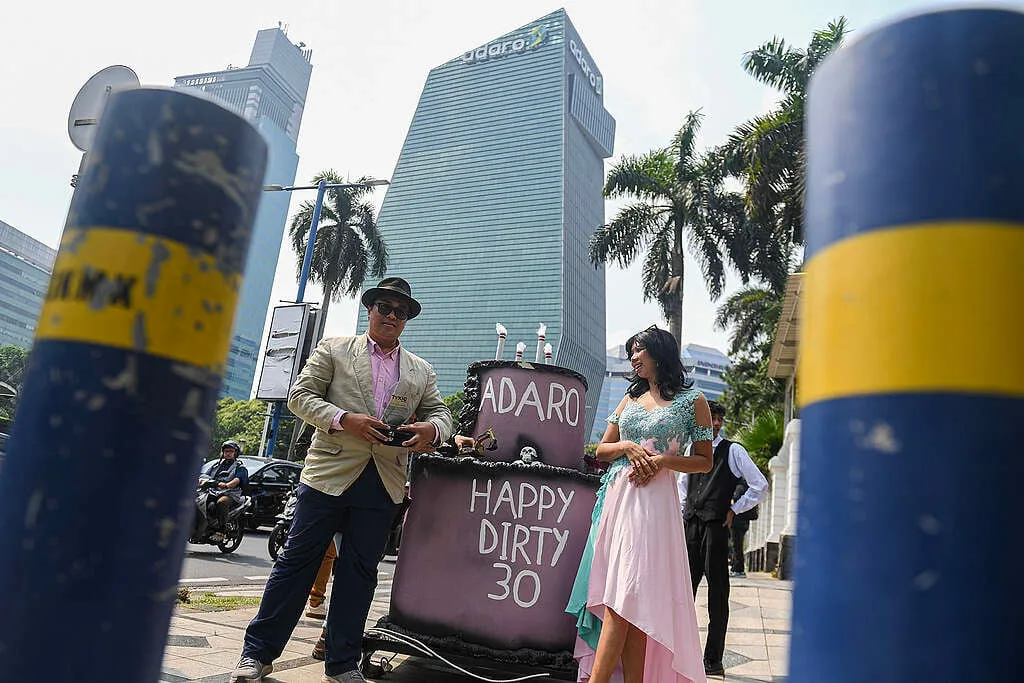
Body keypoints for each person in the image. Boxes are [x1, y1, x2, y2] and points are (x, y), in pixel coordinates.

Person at [230, 277, 453, 683]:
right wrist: (343, 419)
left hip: (383, 481)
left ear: (407, 320)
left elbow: (441, 413)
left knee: (360, 573)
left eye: (400, 312)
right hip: (327, 476)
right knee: (295, 563)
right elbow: (300, 396)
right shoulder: (334, 349)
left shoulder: (421, 370)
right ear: (370, 310)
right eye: (384, 307)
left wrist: (432, 432)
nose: (391, 316)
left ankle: (342, 664)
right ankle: (257, 654)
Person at [566, 325, 714, 683]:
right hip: (618, 501)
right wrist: (629, 448)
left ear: (660, 353)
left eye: (639, 351)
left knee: (626, 597)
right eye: (631, 351)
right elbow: (600, 450)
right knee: (627, 603)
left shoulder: (693, 402)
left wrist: (662, 461)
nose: (633, 358)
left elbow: (704, 461)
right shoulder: (629, 400)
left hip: (655, 505)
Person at [680, 400, 768, 677]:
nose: (716, 423)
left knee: (718, 595)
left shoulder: (734, 451)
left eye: (719, 418)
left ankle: (713, 660)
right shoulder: (689, 449)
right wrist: (682, 512)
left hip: (717, 528)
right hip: (690, 526)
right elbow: (681, 486)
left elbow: (760, 485)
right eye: (712, 418)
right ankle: (681, 654)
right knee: (682, 593)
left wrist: (735, 508)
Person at [197, 441, 249, 542]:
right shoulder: (216, 465)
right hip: (213, 491)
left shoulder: (239, 467)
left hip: (230, 493)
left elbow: (237, 480)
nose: (228, 453)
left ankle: (221, 531)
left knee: (221, 503)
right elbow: (204, 475)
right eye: (226, 451)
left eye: (231, 451)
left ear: (235, 453)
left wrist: (227, 484)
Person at [729, 481, 758, 578]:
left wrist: (731, 502)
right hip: (743, 522)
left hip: (738, 522)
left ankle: (738, 569)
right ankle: (735, 567)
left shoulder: (739, 487)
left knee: (736, 545)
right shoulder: (746, 487)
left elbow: (736, 499)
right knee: (737, 545)